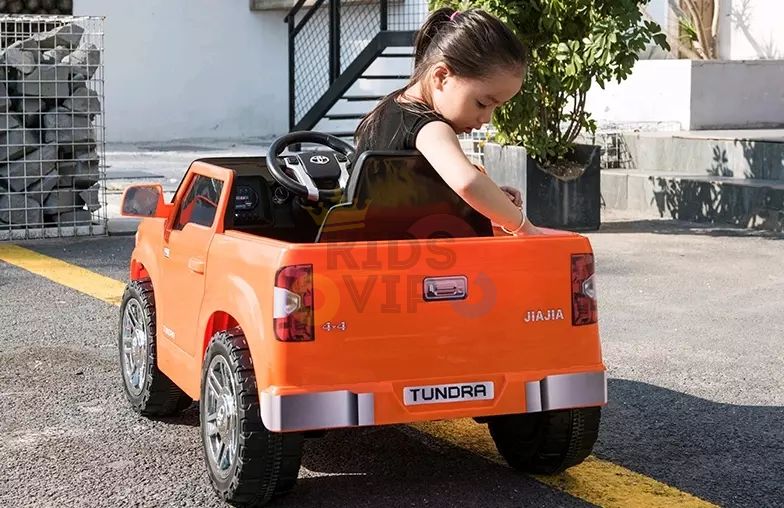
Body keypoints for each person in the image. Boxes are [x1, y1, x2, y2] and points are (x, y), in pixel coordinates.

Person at [355, 7, 539, 236]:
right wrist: (523, 227)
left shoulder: (388, 110)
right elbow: (467, 183)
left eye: (496, 107)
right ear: (442, 77)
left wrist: (493, 199)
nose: (486, 118)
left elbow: (405, 196)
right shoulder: (430, 127)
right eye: (482, 103)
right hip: (417, 255)